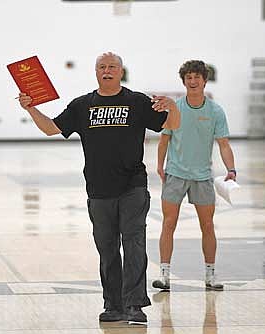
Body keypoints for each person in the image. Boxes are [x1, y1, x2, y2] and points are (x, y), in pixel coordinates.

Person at [18, 52, 181, 324]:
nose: (107, 71)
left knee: (134, 244)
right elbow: (50, 129)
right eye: (102, 67)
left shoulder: (137, 101)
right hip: (98, 189)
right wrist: (30, 108)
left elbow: (170, 125)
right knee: (107, 249)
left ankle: (134, 305)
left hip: (133, 187)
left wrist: (173, 107)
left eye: (112, 67)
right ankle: (113, 305)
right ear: (95, 72)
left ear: (121, 71)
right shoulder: (82, 105)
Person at [152, 60, 236, 292]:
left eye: (196, 77)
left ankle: (210, 274)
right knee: (169, 223)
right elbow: (164, 140)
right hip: (176, 174)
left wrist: (231, 169)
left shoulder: (216, 111)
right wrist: (160, 165)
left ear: (204, 80)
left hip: (202, 177)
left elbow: (224, 144)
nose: (193, 81)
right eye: (188, 77)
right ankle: (164, 275)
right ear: (184, 81)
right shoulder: (174, 108)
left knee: (207, 225)